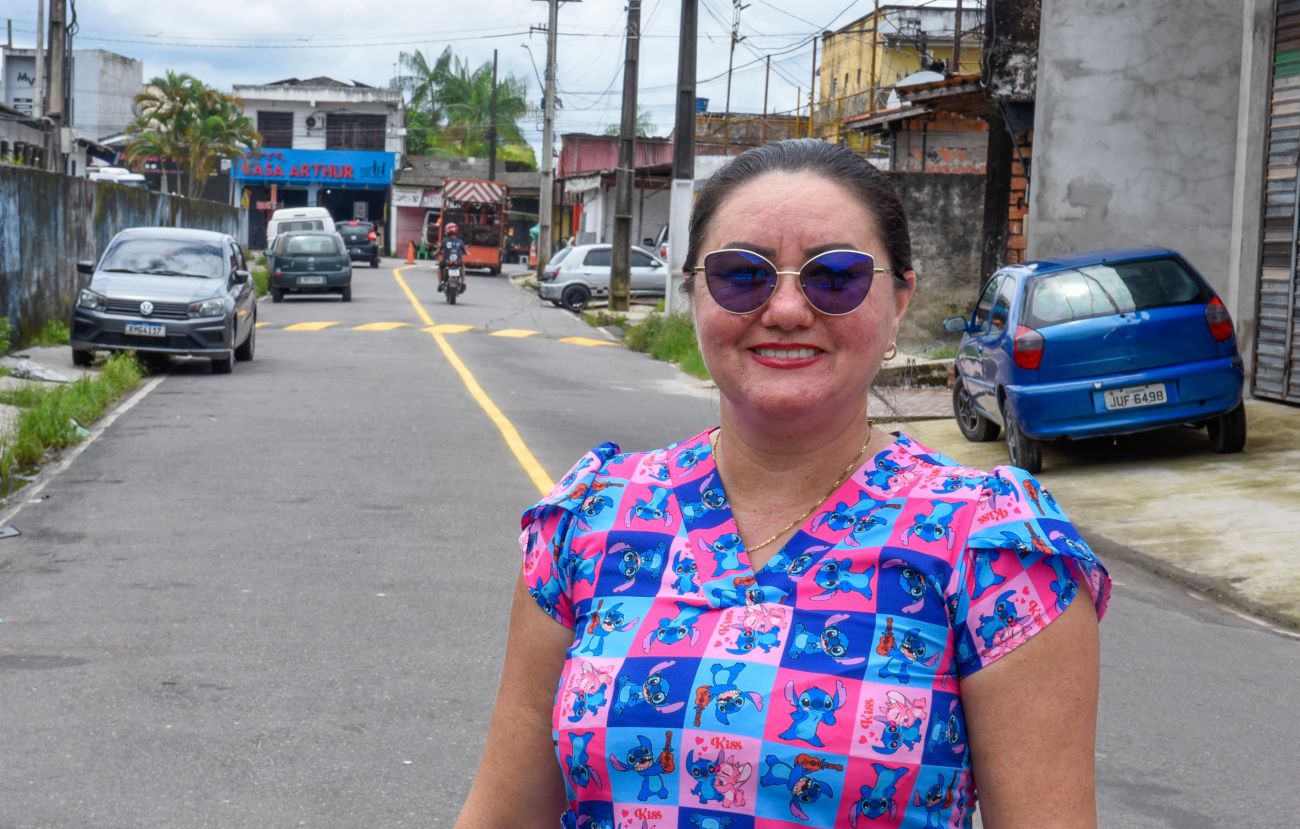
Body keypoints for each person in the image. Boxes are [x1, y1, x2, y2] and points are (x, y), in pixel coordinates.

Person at [454, 139, 1111, 829]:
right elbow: (503, 815)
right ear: (693, 293)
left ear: (899, 301)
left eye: (836, 277)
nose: (789, 309)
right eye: (743, 275)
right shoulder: (591, 519)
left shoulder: (994, 551)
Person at [437, 222, 468, 293]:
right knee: (463, 267)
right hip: (458, 262)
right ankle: (463, 283)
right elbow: (465, 252)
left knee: (439, 267)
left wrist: (435, 253)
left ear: (447, 231)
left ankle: (440, 283)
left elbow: (439, 250)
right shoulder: (460, 242)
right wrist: (467, 253)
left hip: (446, 262)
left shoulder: (444, 241)